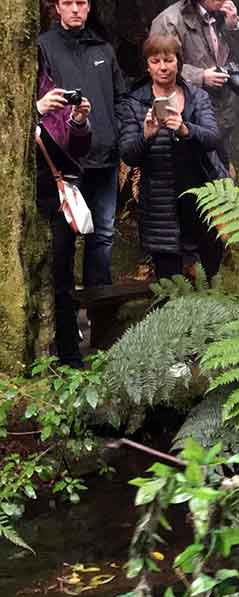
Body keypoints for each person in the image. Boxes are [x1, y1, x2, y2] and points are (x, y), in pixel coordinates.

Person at [37, 0, 126, 367]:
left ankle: (102, 339)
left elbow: (119, 98)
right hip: (64, 167)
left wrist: (117, 134)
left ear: (89, 8)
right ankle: (68, 347)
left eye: (82, 3)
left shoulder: (103, 49)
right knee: (62, 252)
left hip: (103, 162)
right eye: (68, 2)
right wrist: (40, 108)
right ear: (57, 7)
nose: (75, 9)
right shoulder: (44, 46)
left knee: (101, 244)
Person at [119, 34, 228, 281]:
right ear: (147, 65)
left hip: (203, 200)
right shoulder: (135, 103)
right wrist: (146, 136)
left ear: (178, 62)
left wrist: (185, 129)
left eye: (168, 60)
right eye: (155, 61)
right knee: (170, 281)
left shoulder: (196, 96)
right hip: (161, 205)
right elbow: (128, 154)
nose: (163, 67)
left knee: (210, 276)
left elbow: (213, 138)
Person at [33, 59, 92, 367]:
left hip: (55, 200)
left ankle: (70, 353)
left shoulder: (48, 84)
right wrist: (37, 110)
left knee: (63, 279)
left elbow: (76, 150)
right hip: (28, 200)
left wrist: (79, 121)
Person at [150, 0, 239, 165]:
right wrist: (200, 76)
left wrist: (234, 26)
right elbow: (158, 68)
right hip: (189, 116)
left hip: (228, 115)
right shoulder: (169, 21)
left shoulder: (226, 15)